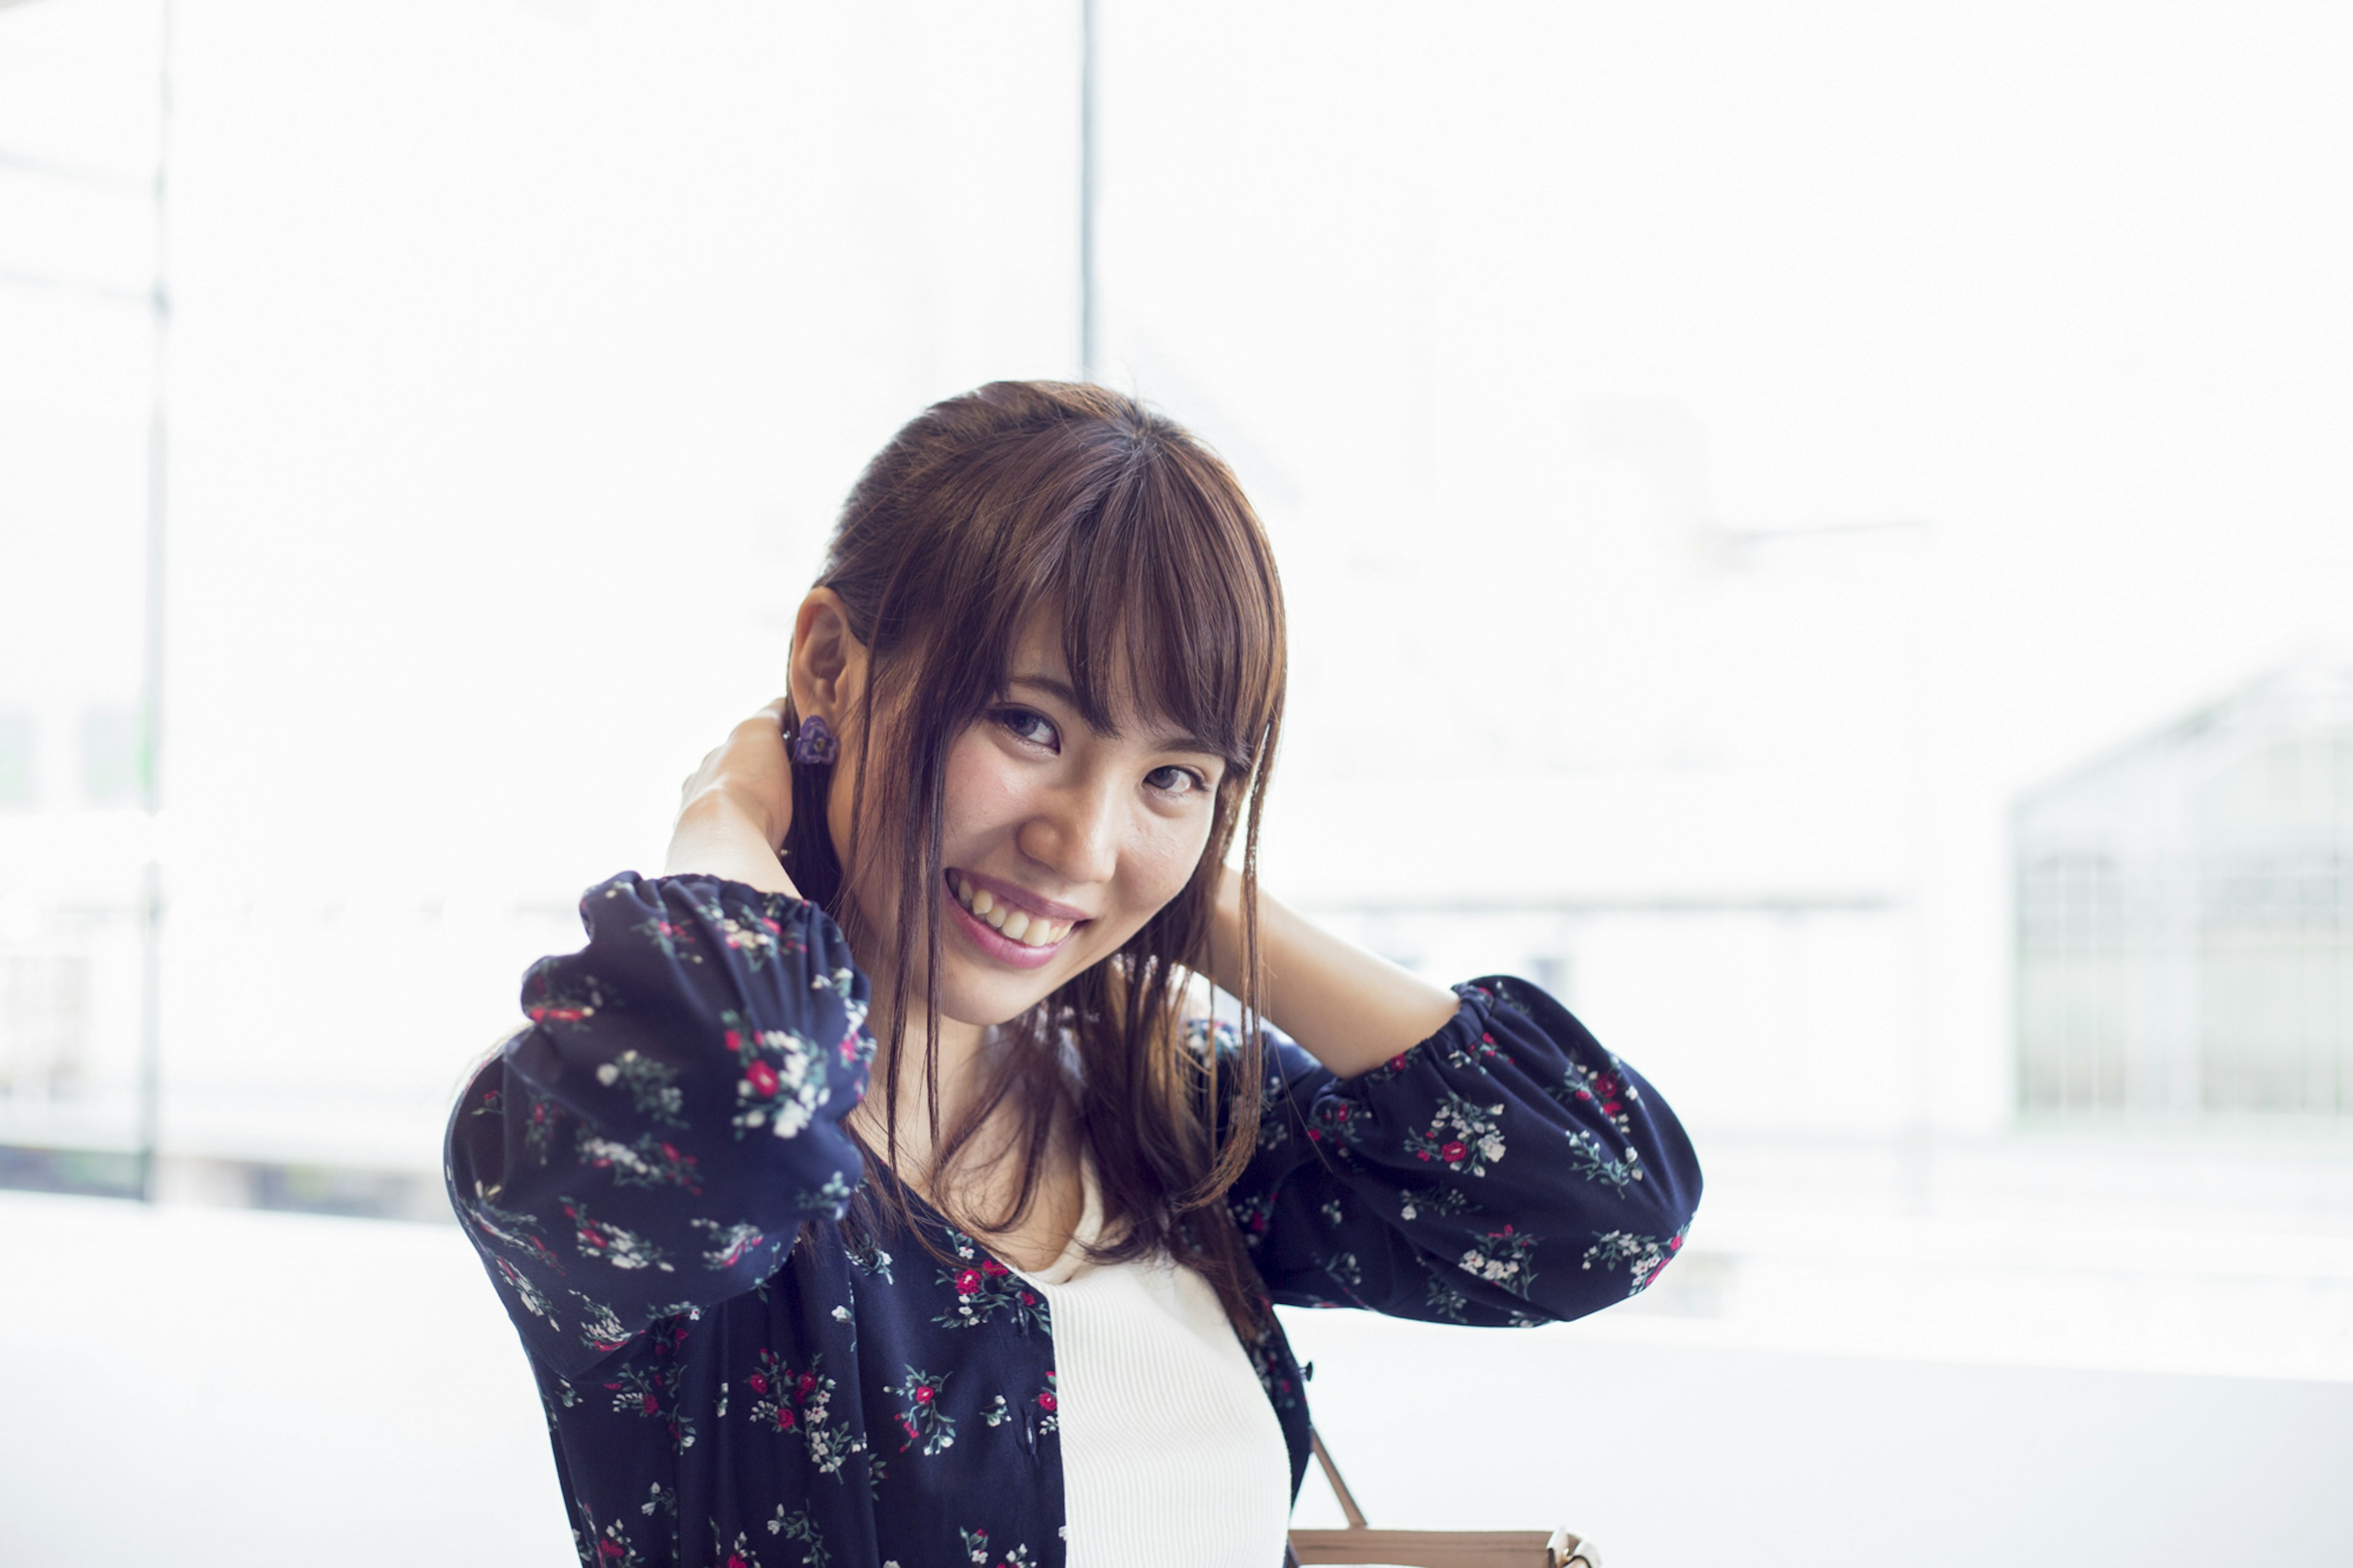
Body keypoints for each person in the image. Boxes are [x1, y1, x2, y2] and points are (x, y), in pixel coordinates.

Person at [446, 380, 1702, 1568]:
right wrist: (728, 808)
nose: (1078, 840)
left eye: (1175, 773)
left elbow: (1600, 1211)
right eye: (1030, 724)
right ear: (829, 661)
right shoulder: (585, 1122)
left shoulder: (1169, 1116)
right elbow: (743, 1097)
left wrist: (1184, 891)